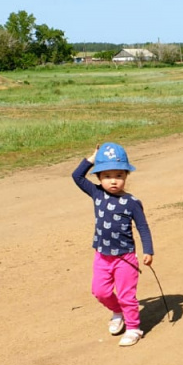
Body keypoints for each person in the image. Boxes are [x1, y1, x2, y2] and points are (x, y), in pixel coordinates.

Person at [72, 142, 154, 347]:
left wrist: (148, 250)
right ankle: (118, 312)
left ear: (126, 176)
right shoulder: (97, 193)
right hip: (102, 256)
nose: (114, 181)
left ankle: (134, 327)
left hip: (125, 258)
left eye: (119, 175)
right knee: (100, 291)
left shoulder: (131, 202)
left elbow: (143, 227)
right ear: (99, 177)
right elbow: (77, 176)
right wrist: (93, 158)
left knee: (127, 295)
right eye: (107, 176)